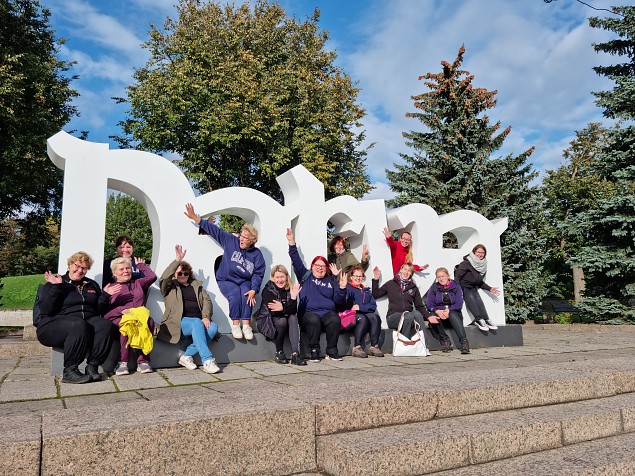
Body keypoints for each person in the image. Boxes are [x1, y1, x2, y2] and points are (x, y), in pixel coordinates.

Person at [184, 203, 265, 341]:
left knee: (247, 296)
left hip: (244, 281)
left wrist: (254, 289)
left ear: (252, 241)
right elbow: (216, 231)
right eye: (242, 236)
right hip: (226, 279)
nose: (242, 239)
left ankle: (246, 325)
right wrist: (197, 219)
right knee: (234, 295)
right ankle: (235, 325)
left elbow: (258, 273)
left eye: (246, 238)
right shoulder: (231, 240)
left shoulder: (257, 254)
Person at [35, 251, 114, 384]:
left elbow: (98, 310)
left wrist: (105, 296)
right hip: (54, 324)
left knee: (105, 324)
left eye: (84, 268)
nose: (80, 270)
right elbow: (46, 309)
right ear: (70, 264)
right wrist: (57, 288)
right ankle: (70, 370)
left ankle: (92, 366)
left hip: (84, 323)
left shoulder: (92, 285)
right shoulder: (57, 282)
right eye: (77, 265)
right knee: (78, 324)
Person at [157, 245, 220, 374]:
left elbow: (207, 301)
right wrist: (177, 261)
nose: (183, 275)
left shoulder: (197, 286)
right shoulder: (169, 287)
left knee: (213, 328)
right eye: (179, 273)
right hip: (177, 322)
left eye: (186, 273)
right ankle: (207, 360)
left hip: (197, 321)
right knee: (195, 322)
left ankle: (186, 356)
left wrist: (206, 317)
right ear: (175, 274)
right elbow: (163, 279)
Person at [286, 227, 347, 362]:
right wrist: (291, 242)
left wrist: (342, 287)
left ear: (327, 269)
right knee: (313, 320)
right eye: (317, 265)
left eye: (323, 266)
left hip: (327, 313)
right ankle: (314, 350)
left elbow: (338, 300)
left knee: (334, 319)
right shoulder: (305, 276)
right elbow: (296, 260)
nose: (320, 268)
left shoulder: (331, 280)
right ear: (312, 266)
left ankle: (331, 351)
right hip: (309, 313)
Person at [102, 256, 157, 375]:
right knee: (126, 326)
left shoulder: (138, 283)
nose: (126, 271)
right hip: (119, 318)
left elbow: (152, 277)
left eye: (127, 268)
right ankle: (122, 362)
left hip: (139, 318)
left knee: (150, 322)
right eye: (121, 269)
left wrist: (141, 266)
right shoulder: (110, 288)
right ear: (114, 272)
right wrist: (120, 310)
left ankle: (143, 361)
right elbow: (105, 313)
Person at [255, 265, 306, 366]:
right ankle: (279, 352)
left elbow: (293, 311)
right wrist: (286, 307)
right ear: (273, 278)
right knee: (282, 320)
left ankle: (295, 354)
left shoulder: (290, 290)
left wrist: (292, 298)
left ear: (286, 277)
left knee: (293, 318)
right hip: (266, 321)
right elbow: (274, 312)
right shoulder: (268, 290)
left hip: (284, 320)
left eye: (282, 277)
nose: (280, 280)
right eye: (277, 277)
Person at [372, 263, 430, 340]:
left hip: (409, 318)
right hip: (393, 318)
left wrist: (429, 316)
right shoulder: (390, 284)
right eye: (405, 269)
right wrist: (376, 279)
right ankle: (403, 343)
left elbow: (419, 306)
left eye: (409, 271)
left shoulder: (413, 288)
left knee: (417, 314)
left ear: (411, 274)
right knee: (408, 316)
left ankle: (425, 345)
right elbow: (375, 295)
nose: (406, 272)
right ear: (401, 270)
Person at [454, 244, 500, 331]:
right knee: (471, 298)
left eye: (483, 252)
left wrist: (490, 288)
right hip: (463, 287)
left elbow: (479, 282)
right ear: (474, 252)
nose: (480, 254)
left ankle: (486, 319)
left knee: (479, 300)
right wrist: (456, 290)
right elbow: (457, 277)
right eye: (478, 252)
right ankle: (478, 319)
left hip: (473, 287)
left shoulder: (482, 266)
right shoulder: (466, 263)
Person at [341, 265, 383, 358]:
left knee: (375, 317)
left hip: (362, 317)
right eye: (355, 276)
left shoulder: (366, 291)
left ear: (363, 278)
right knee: (363, 318)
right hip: (348, 319)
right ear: (351, 277)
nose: (358, 278)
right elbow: (345, 303)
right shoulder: (347, 288)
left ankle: (374, 346)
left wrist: (360, 307)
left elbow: (372, 306)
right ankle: (357, 347)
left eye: (360, 276)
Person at [426, 267, 470, 354]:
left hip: (454, 315)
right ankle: (445, 341)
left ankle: (464, 342)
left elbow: (459, 304)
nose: (441, 279)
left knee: (453, 314)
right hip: (440, 315)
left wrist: (448, 310)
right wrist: (438, 311)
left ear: (448, 276)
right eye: (438, 277)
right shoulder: (434, 287)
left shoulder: (456, 286)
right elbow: (429, 304)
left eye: (443, 276)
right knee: (433, 314)